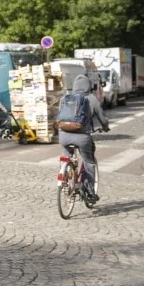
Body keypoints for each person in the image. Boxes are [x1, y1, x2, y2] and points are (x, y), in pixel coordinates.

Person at [58, 74, 110, 203]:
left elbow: (59, 116)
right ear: (88, 86)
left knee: (66, 157)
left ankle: (65, 176)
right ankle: (89, 191)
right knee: (89, 162)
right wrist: (105, 126)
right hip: (82, 137)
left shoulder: (65, 98)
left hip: (63, 136)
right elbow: (102, 117)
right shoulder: (92, 98)